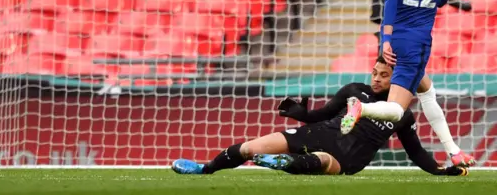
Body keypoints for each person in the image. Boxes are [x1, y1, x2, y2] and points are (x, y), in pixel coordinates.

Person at [171, 58, 468, 176]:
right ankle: (205, 169)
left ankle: (284, 164)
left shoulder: (400, 114)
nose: (376, 79)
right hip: (319, 133)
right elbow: (321, 115)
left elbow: (415, 151)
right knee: (250, 147)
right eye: (374, 72)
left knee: (323, 162)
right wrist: (302, 114)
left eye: (384, 75)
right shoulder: (354, 90)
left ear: (397, 79)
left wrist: (440, 171)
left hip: (348, 156)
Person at [340, 0, 474, 167]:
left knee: (427, 90)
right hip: (417, 42)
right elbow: (442, 0)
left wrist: (386, 39)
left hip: (392, 38)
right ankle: (361, 108)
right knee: (396, 110)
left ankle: (454, 152)